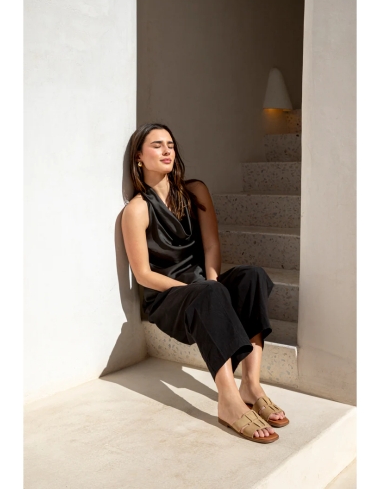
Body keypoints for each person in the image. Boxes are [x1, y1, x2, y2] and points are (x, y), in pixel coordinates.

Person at [121, 123, 289, 444]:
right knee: (209, 292)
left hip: (205, 286)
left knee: (251, 276)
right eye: (157, 145)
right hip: (168, 298)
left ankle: (251, 385)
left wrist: (213, 283)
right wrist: (199, 291)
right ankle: (228, 399)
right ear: (139, 157)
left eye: (170, 144)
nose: (167, 150)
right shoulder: (137, 209)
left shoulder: (195, 191)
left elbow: (212, 245)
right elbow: (143, 275)